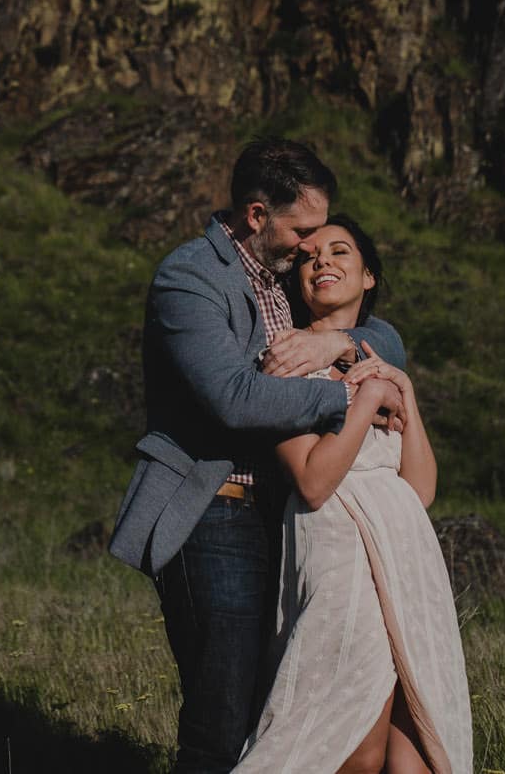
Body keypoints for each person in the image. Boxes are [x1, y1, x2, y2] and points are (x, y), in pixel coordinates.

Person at [110, 139, 409, 774]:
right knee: (222, 720)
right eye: (301, 229)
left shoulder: (284, 282)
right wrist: (347, 403)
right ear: (255, 215)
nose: (311, 245)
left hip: (287, 520)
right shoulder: (190, 278)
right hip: (216, 513)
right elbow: (234, 399)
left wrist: (340, 345)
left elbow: (383, 335)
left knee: (279, 716)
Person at [234, 215, 471, 774]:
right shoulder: (285, 361)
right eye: (311, 255)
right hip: (341, 553)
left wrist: (403, 392)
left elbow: (419, 489)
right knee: (348, 743)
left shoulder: (375, 359)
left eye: (340, 252)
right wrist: (364, 402)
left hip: (407, 555)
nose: (323, 262)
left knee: (415, 742)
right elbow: (314, 482)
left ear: (368, 276)